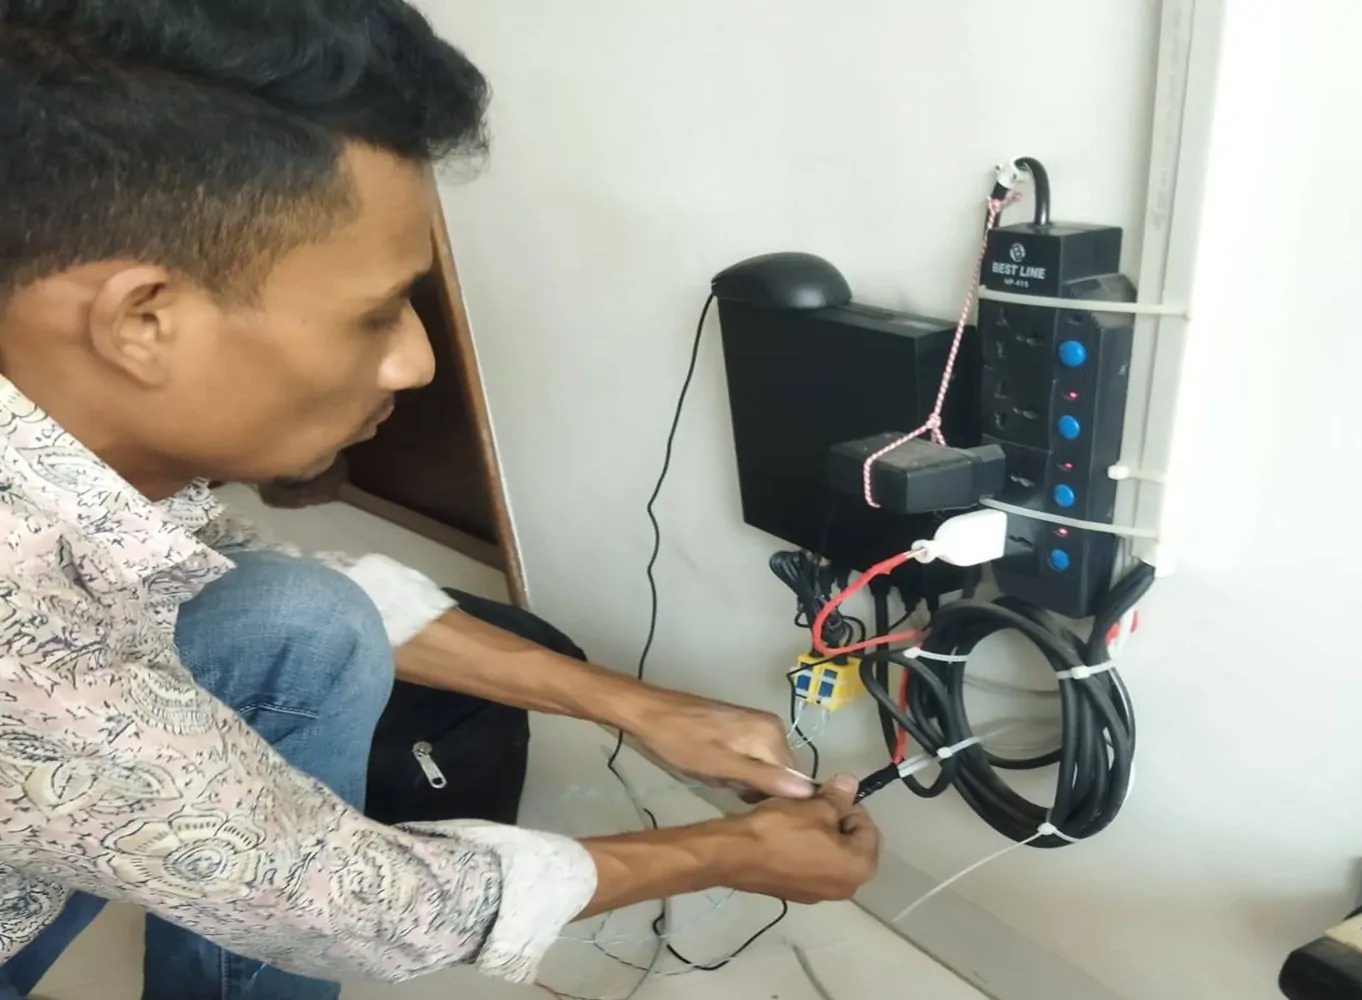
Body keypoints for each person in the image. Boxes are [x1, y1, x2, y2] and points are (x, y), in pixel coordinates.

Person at [0, 2, 882, 998]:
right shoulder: (25, 625)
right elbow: (353, 900)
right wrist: (733, 850)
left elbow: (220, 561)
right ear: (143, 321)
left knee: (295, 611)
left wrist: (638, 708)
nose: (416, 361)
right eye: (374, 313)